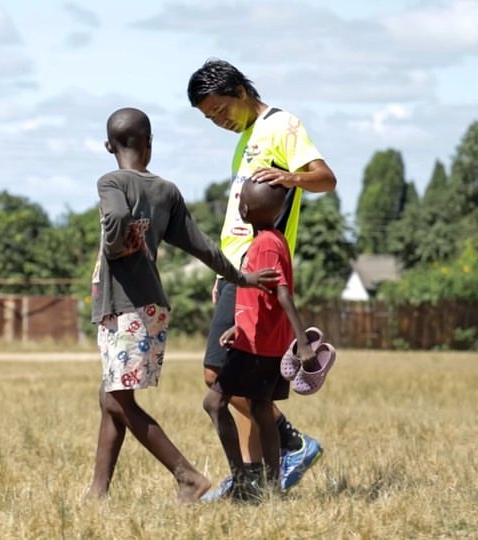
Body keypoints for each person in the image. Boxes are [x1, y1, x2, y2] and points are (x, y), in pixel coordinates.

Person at [87, 107, 278, 503]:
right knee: (112, 398)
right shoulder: (165, 191)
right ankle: (97, 492)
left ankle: (187, 476)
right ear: (150, 143)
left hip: (126, 305)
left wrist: (114, 242)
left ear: (109, 146)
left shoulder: (111, 181)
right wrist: (241, 276)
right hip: (148, 306)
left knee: (118, 399)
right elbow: (202, 244)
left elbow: (118, 216)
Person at [187, 58, 337, 494]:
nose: (219, 122)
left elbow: (325, 179)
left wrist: (290, 177)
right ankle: (254, 480)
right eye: (209, 118)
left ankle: (289, 445)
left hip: (259, 272)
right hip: (236, 271)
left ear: (240, 91)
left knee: (218, 379)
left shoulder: (283, 125)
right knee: (246, 386)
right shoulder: (246, 139)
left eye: (220, 110)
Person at [203, 180, 316, 501]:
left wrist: (303, 341)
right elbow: (262, 300)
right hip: (257, 340)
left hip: (255, 347)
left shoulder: (264, 245)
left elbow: (281, 293)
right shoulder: (274, 240)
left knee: (213, 402)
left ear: (243, 210)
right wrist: (238, 326)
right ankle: (271, 489)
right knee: (262, 409)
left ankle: (242, 481)